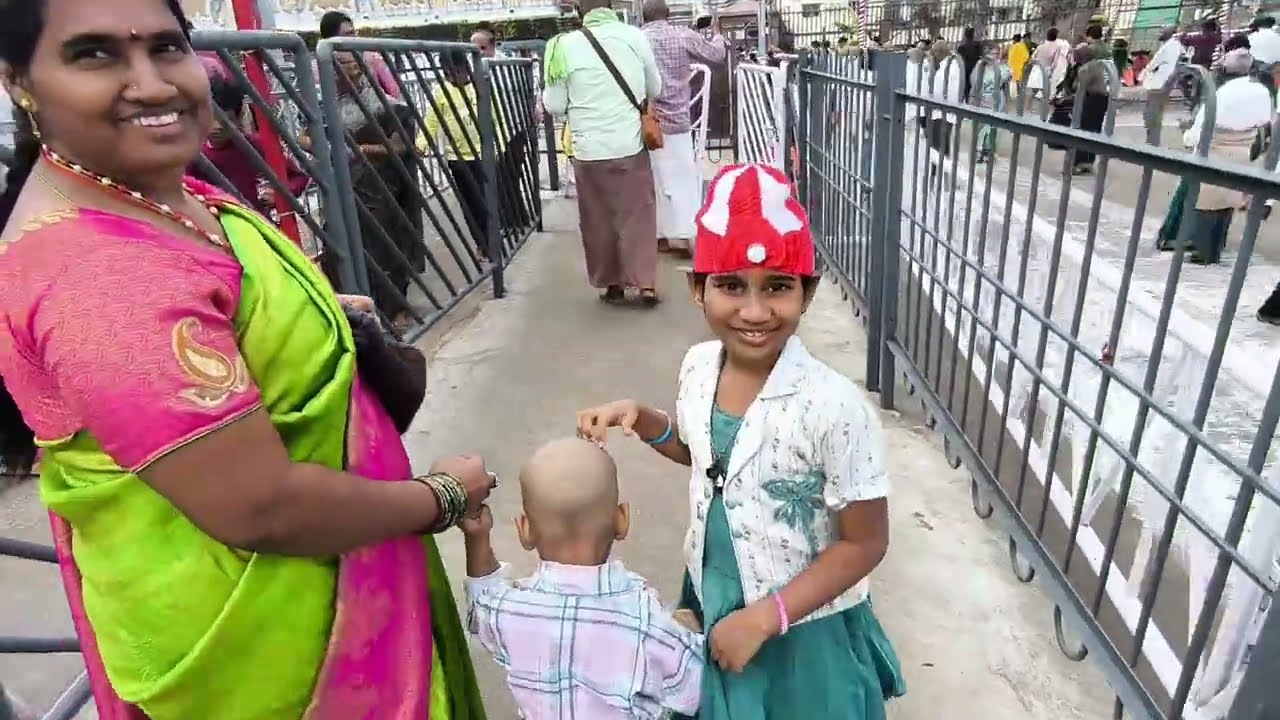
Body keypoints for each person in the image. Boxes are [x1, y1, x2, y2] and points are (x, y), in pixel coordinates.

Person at [0, 1, 491, 718]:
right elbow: (261, 506)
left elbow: (224, 293)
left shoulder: (146, 190)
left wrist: (313, 315)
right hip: (264, 646)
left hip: (333, 570)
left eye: (167, 48)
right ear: (19, 81)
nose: (153, 82)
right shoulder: (100, 280)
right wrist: (443, 497)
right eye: (95, 55)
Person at [576, 163, 906, 719]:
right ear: (698, 290)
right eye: (732, 286)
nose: (755, 312)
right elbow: (703, 451)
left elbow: (864, 543)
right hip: (715, 591)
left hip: (804, 629)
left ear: (807, 292)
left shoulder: (835, 408)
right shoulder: (700, 366)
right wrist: (645, 419)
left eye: (777, 286)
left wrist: (766, 617)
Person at [461, 437, 705, 718]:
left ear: (525, 530)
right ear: (622, 519)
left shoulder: (511, 612)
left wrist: (477, 537)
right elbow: (699, 685)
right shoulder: (647, 625)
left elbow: (481, 606)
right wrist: (687, 632)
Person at [543, 0, 663, 305]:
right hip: (630, 142)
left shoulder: (560, 46)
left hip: (588, 148)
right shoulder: (635, 36)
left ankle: (613, 284)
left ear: (580, 11)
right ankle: (645, 283)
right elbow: (655, 87)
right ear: (610, 6)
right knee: (638, 213)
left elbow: (555, 106)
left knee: (598, 219)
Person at [329, 49, 425, 328]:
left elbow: (397, 145)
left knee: (387, 244)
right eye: (338, 66)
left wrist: (356, 148)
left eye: (347, 64)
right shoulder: (330, 104)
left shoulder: (386, 105)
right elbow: (308, 135)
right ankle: (359, 306)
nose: (341, 71)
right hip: (347, 185)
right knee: (347, 244)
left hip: (384, 188)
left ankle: (394, 307)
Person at [1155, 48, 1273, 264]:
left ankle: (1192, 244)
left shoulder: (1221, 92)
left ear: (1227, 69)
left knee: (1201, 198)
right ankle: (1216, 245)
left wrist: (1187, 135)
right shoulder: (1262, 91)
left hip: (1214, 149)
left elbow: (1199, 130)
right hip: (1243, 151)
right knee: (1227, 199)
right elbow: (1265, 123)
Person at [642, 0, 727, 257]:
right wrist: (718, 34)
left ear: (644, 17)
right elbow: (717, 56)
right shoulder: (682, 35)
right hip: (678, 120)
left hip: (648, 122)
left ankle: (660, 235)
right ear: (668, 15)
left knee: (654, 180)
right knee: (683, 180)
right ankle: (688, 236)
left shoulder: (637, 40)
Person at [193, 77, 310, 218]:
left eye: (226, 120)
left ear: (239, 116)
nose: (217, 127)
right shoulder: (194, 156)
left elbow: (299, 178)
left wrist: (279, 194)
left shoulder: (256, 146)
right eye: (211, 118)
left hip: (258, 224)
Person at [423, 51, 496, 263]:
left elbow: (494, 116)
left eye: (457, 72)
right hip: (459, 158)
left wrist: (498, 143)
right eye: (448, 74)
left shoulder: (480, 87)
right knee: (470, 205)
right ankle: (482, 244)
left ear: (466, 67)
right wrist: (421, 143)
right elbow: (432, 119)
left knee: (487, 201)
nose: (453, 77)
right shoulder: (441, 91)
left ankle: (493, 239)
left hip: (484, 153)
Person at [318, 10, 402, 100]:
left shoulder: (321, 64)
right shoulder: (370, 57)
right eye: (349, 34)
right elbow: (394, 90)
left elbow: (393, 89)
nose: (355, 37)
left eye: (354, 32)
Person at [1068, 23, 1113, 175]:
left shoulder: (1090, 57)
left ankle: (1079, 162)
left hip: (1091, 95)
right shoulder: (1107, 50)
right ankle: (1088, 161)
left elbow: (1078, 84)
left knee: (1083, 129)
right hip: (1106, 92)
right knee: (1095, 129)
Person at [1140, 26, 1184, 135]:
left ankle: (1152, 129)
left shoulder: (1169, 46)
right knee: (1156, 106)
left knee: (1152, 107)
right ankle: (1153, 128)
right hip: (1166, 80)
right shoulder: (1175, 45)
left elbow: (1153, 64)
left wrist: (1142, 75)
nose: (1160, 33)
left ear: (1170, 33)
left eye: (1163, 31)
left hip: (1160, 81)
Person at [1028, 27, 1070, 100]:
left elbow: (1032, 57)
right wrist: (1052, 70)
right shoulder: (1057, 47)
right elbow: (1055, 62)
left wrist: (1035, 63)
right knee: (1043, 90)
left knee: (1033, 90)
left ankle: (1029, 107)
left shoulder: (1040, 46)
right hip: (1047, 69)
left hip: (1037, 69)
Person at [956, 27, 982, 101]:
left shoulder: (961, 47)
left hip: (965, 67)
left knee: (966, 84)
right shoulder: (977, 45)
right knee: (974, 84)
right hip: (974, 66)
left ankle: (966, 98)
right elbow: (980, 55)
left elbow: (959, 56)